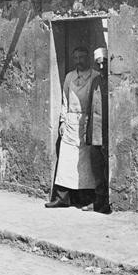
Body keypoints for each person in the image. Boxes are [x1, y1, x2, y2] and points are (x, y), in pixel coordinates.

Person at [46, 46, 102, 209]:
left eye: (82, 57)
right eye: (76, 58)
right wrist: (63, 121)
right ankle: (62, 197)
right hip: (71, 121)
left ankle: (85, 198)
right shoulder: (69, 77)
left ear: (88, 59)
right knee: (66, 160)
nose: (79, 61)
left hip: (86, 121)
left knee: (85, 163)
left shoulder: (95, 76)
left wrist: (91, 123)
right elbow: (65, 99)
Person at [83, 47, 111, 214]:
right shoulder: (95, 81)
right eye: (98, 64)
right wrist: (87, 131)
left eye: (104, 63)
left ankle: (108, 201)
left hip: (107, 133)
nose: (101, 67)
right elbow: (90, 107)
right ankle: (98, 201)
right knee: (97, 169)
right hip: (95, 133)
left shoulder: (112, 82)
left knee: (108, 168)